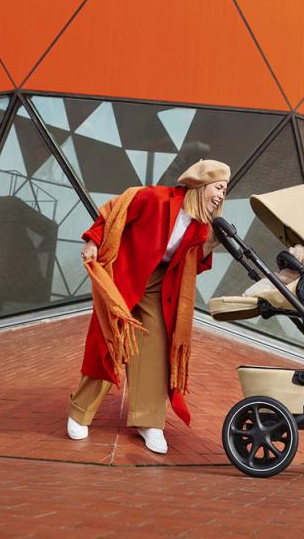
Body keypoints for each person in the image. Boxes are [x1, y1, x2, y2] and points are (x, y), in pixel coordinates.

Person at [67, 159, 230, 454]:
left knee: (155, 351)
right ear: (200, 183)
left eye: (225, 190)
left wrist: (210, 245)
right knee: (110, 344)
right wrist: (93, 241)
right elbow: (115, 211)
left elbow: (192, 266)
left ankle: (148, 421)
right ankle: (80, 412)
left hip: (159, 286)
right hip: (125, 275)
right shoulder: (156, 198)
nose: (221, 195)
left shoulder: (201, 226)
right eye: (218, 187)